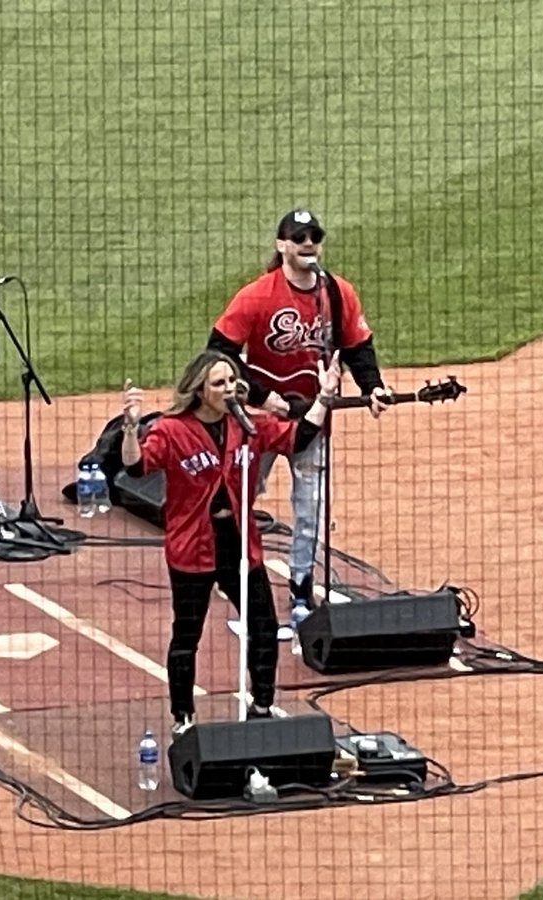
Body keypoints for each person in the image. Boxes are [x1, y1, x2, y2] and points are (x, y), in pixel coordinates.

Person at [120, 349, 340, 732]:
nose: (228, 389)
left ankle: (262, 705)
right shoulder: (172, 431)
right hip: (192, 546)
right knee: (187, 634)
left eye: (231, 381)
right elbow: (137, 466)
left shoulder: (247, 427)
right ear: (200, 390)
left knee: (264, 625)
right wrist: (129, 428)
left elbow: (299, 438)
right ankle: (183, 717)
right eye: (218, 383)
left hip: (239, 542)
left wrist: (323, 397)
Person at [207, 208, 389, 631]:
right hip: (259, 421)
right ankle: (234, 578)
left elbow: (359, 346)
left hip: (313, 417)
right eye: (299, 237)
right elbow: (218, 352)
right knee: (236, 499)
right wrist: (261, 396)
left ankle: (302, 588)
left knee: (310, 509)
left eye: (314, 237)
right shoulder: (256, 295)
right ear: (281, 245)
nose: (308, 244)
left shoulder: (338, 293)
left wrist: (372, 386)